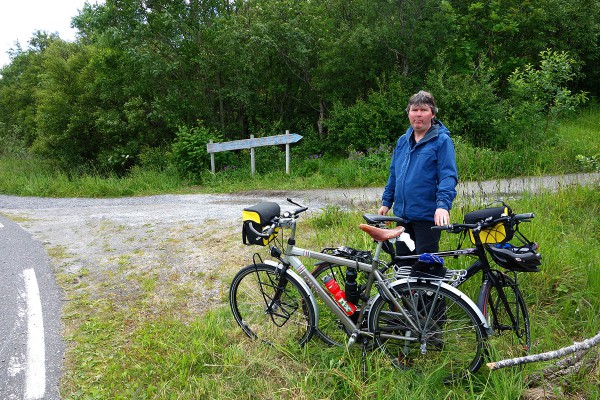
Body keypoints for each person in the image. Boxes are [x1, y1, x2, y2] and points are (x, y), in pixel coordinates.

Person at [378, 90, 458, 259]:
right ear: (408, 113)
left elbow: (448, 176)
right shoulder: (402, 141)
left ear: (433, 114)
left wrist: (443, 205)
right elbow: (394, 174)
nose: (418, 115)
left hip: (426, 217)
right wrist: (386, 202)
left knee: (425, 268)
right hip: (402, 217)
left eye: (424, 110)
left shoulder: (442, 141)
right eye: (414, 110)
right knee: (404, 265)